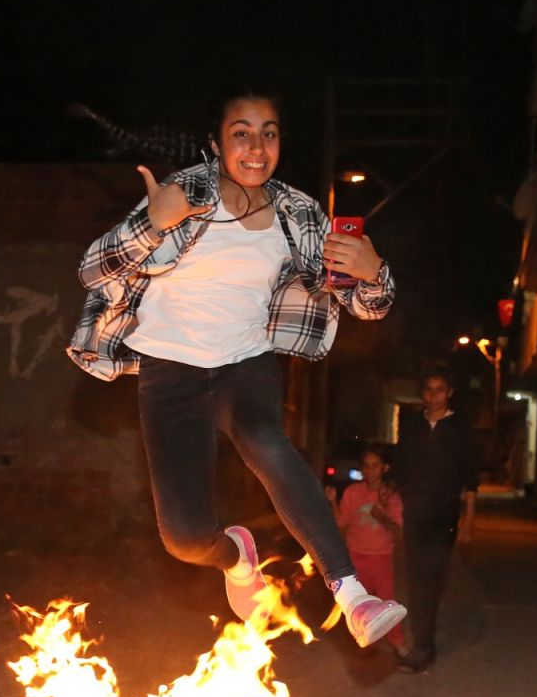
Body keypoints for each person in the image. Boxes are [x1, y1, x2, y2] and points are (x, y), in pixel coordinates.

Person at [68, 87, 406, 646]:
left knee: (264, 438)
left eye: (268, 132)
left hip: (244, 362)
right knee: (184, 538)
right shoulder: (183, 196)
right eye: (241, 133)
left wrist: (374, 272)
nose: (256, 146)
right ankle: (236, 557)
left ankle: (354, 595)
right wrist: (152, 223)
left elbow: (367, 306)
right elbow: (91, 270)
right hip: (170, 372)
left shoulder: (299, 215)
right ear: (216, 144)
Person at [395, 368, 479, 674]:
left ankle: (424, 642)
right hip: (415, 510)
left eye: (440, 389)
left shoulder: (460, 428)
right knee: (418, 577)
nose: (434, 395)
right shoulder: (412, 425)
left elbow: (471, 475)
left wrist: (469, 519)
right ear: (423, 394)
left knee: (434, 576)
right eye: (428, 390)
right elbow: (401, 464)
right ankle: (423, 647)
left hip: (444, 512)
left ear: (449, 392)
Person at [326, 446, 407, 655]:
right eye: (366, 466)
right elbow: (342, 522)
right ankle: (362, 640)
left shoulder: (390, 496)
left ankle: (396, 640)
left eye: (375, 466)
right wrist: (333, 501)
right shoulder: (353, 493)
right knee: (358, 603)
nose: (370, 471)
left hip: (381, 557)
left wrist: (383, 517)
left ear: (384, 468)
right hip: (356, 557)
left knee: (387, 601)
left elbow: (399, 531)